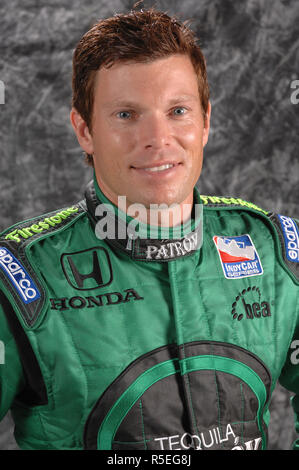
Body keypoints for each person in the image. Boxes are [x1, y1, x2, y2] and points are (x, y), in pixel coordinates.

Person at [0, 7, 298, 451]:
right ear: (84, 130)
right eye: (126, 114)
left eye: (177, 110)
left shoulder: (277, 252)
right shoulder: (21, 278)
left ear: (205, 122)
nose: (158, 138)